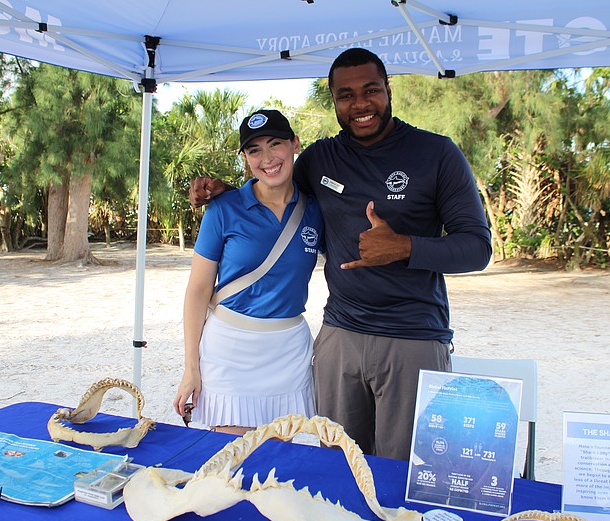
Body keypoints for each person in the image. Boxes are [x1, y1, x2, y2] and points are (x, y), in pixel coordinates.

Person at [190, 48, 491, 458]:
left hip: (412, 338)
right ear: (334, 101)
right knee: (336, 466)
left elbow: (476, 248)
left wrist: (404, 247)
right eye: (345, 95)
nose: (360, 104)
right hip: (339, 338)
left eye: (370, 90)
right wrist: (224, 191)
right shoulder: (320, 158)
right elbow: (273, 186)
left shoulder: (436, 154)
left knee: (399, 474)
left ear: (389, 89)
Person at [174, 109, 324, 436]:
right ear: (245, 157)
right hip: (230, 354)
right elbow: (198, 291)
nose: (267, 158)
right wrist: (191, 369)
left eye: (275, 144)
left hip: (289, 354)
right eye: (254, 150)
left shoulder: (315, 210)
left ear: (295, 144)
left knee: (281, 466)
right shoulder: (223, 208)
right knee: (230, 463)